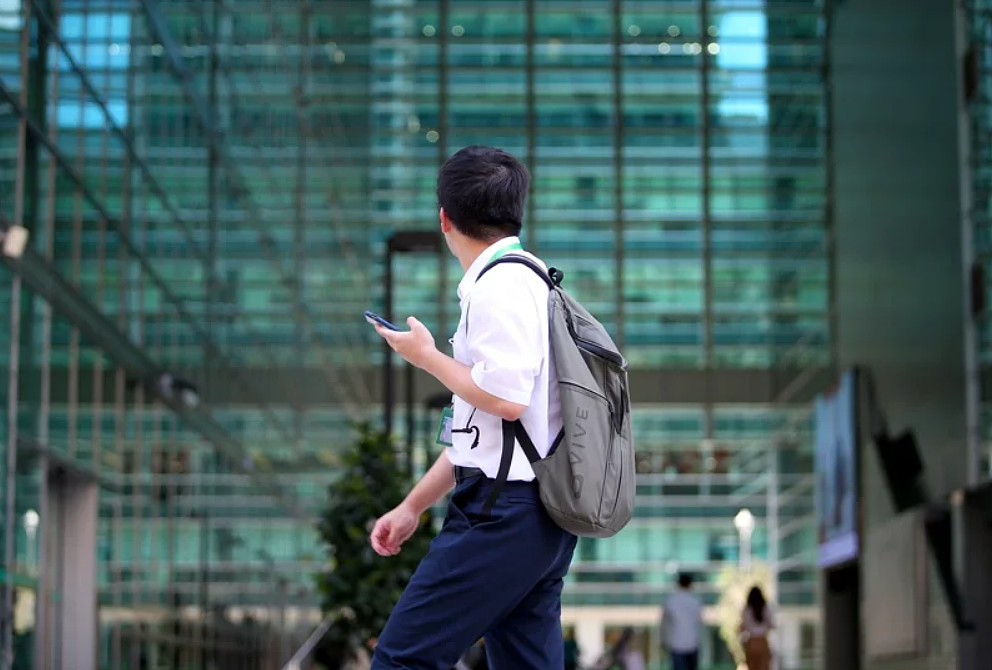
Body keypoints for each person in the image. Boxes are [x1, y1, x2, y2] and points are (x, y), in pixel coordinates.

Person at [368, 145, 577, 670]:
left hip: (502, 512)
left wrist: (427, 357)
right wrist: (412, 506)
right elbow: (483, 433)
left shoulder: (500, 287)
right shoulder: (530, 282)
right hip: (535, 512)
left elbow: (506, 402)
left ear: (444, 219)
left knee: (401, 661)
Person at [661, 573, 703, 670]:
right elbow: (700, 622)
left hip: (676, 645)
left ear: (678, 584)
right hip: (693, 644)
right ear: (690, 584)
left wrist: (663, 641)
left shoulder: (670, 601)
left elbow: (664, 624)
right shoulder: (696, 601)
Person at [739, 586, 774, 670]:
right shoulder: (766, 608)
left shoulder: (746, 609)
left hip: (751, 642)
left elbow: (742, 627)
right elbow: (771, 625)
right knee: (764, 667)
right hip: (762, 642)